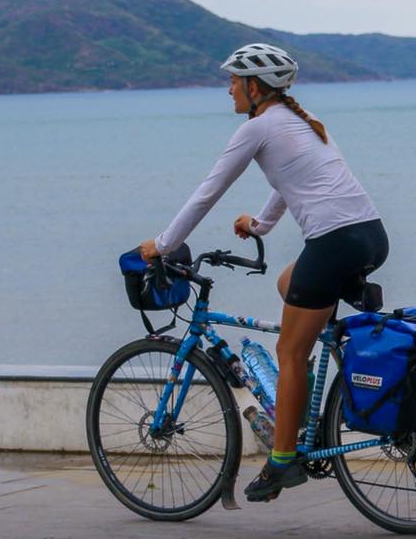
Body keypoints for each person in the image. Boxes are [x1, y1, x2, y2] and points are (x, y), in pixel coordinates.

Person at [139, 43, 388, 503]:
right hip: (370, 235)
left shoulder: (258, 127)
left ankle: (282, 461)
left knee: (289, 352)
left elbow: (207, 192)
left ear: (255, 87)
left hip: (333, 242)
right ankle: (315, 406)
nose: (229, 88)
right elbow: (291, 181)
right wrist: (259, 225)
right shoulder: (302, 120)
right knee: (287, 284)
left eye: (234, 80)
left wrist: (165, 244)